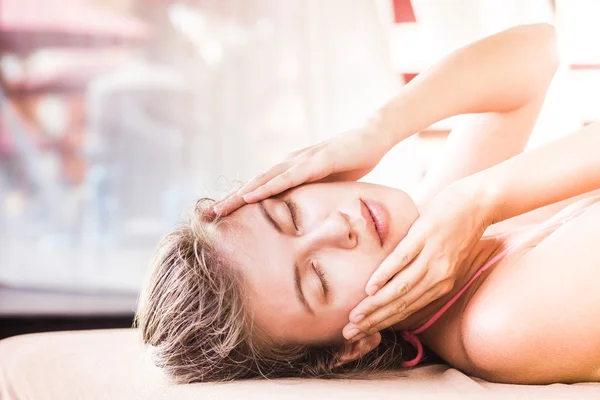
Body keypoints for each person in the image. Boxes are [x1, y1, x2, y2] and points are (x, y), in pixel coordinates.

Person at [135, 24, 600, 384]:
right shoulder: (499, 326)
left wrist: (377, 130)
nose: (338, 229)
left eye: (290, 214)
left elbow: (537, 51)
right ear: (351, 345)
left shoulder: (443, 226)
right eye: (317, 280)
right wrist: (478, 198)